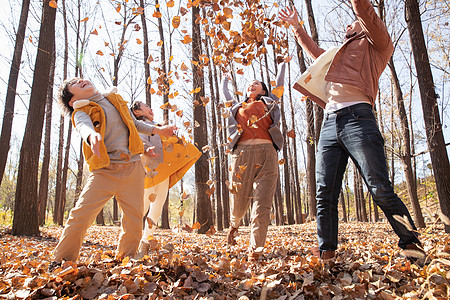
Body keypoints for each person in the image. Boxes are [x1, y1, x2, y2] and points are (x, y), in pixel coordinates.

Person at [279, 0, 424, 260]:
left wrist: (361, 9)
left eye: (352, 21)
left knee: (379, 187)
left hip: (359, 118)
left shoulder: (377, 45)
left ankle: (411, 242)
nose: (348, 24)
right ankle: (327, 252)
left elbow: (364, 12)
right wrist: (296, 27)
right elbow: (315, 52)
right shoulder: (338, 54)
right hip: (329, 124)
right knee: (325, 193)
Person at [53, 78, 175, 263]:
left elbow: (135, 124)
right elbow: (83, 125)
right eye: (76, 84)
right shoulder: (80, 111)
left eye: (81, 79)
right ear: (72, 100)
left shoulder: (114, 99)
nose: (82, 81)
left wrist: (159, 130)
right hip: (104, 171)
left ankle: (125, 261)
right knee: (80, 216)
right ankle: (62, 261)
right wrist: (92, 135)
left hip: (133, 169)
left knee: (134, 222)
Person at [221, 62, 285, 262]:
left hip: (267, 153)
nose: (252, 85)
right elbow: (225, 95)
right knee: (239, 201)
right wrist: (225, 78)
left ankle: (255, 250)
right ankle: (234, 224)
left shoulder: (270, 101)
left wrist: (282, 66)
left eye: (256, 83)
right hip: (242, 154)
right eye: (250, 83)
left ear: (263, 89)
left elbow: (280, 85)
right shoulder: (237, 107)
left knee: (262, 203)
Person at [130, 101, 201, 256]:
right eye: (146, 106)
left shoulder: (159, 125)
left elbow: (171, 144)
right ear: (137, 112)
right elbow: (140, 141)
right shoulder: (139, 126)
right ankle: (130, 242)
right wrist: (147, 149)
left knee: (156, 209)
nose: (150, 108)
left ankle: (145, 243)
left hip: (163, 172)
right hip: (149, 172)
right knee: (141, 207)